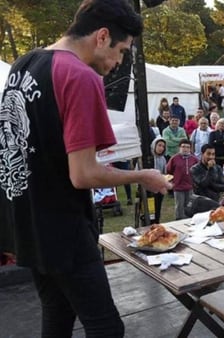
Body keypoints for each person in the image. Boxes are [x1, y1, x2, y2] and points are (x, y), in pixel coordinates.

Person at [0, 1, 170, 336]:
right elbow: (83, 174)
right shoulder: (79, 76)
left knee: (57, 315)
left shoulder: (24, 64)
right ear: (103, 36)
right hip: (63, 227)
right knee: (106, 327)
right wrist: (141, 175)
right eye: (122, 51)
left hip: (25, 221)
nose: (119, 62)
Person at [166, 139, 199, 220]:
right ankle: (179, 220)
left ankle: (189, 220)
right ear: (179, 148)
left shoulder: (194, 159)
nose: (185, 149)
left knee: (189, 206)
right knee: (179, 206)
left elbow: (198, 171)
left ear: (190, 149)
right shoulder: (174, 158)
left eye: (187, 147)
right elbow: (169, 170)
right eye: (183, 147)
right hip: (178, 187)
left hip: (190, 186)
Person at [189, 144, 224, 213]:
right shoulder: (195, 169)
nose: (211, 157)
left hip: (215, 203)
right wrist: (210, 169)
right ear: (202, 154)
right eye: (208, 154)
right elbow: (203, 184)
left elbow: (223, 187)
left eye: (213, 154)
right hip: (200, 205)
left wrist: (211, 184)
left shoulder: (218, 168)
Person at [151, 137, 167, 223]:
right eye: (159, 145)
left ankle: (157, 222)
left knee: (157, 208)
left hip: (159, 188)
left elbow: (164, 173)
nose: (161, 148)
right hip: (149, 188)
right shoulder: (148, 158)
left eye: (163, 146)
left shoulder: (163, 159)